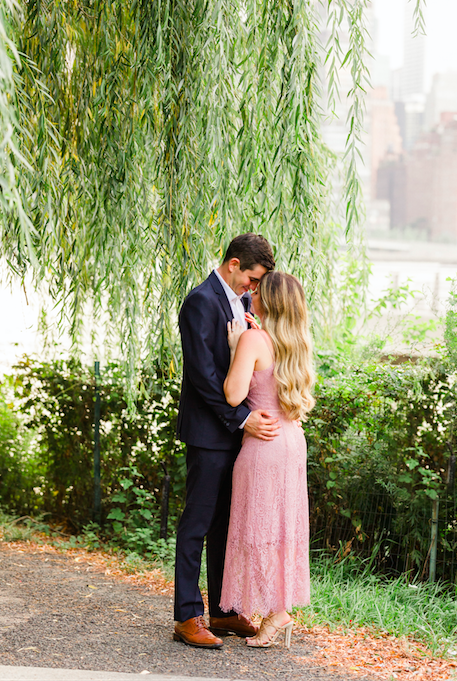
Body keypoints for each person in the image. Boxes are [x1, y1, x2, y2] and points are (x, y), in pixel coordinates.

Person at [173, 233, 279, 649]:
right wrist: (243, 418)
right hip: (208, 434)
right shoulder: (200, 301)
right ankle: (187, 616)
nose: (253, 287)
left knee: (225, 527)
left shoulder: (246, 302)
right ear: (234, 264)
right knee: (197, 525)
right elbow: (202, 375)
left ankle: (222, 610)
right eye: (252, 278)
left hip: (239, 437)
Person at [220, 271, 315, 649]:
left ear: (269, 301)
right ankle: (278, 608)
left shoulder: (252, 339)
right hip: (291, 440)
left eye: (257, 291)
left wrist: (234, 349)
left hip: (263, 444)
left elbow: (233, 395)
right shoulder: (297, 342)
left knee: (257, 528)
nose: (251, 295)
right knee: (282, 528)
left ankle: (277, 613)